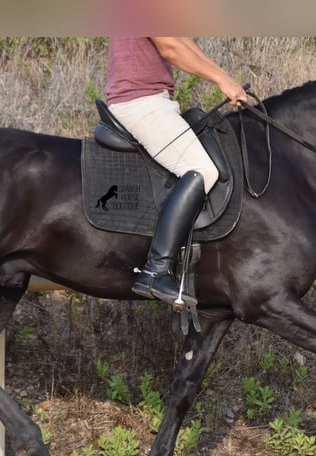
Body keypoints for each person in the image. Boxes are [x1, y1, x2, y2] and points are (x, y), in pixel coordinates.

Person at [105, 37, 247, 308]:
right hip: (140, 102)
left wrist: (225, 78)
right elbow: (171, 47)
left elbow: (182, 40)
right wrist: (221, 80)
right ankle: (156, 270)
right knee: (201, 169)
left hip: (151, 100)